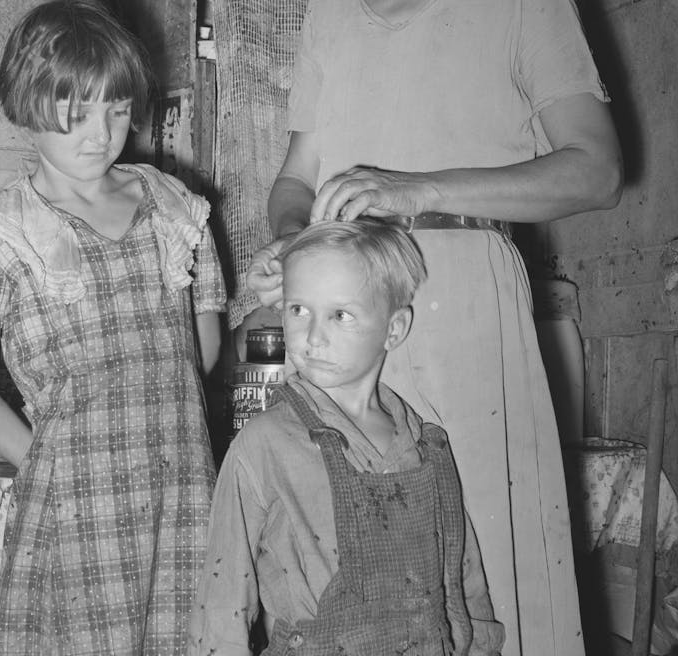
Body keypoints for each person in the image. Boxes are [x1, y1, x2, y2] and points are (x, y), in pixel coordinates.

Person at [245, 0, 624, 656]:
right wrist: (298, 240)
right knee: (354, 568)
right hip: (345, 318)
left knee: (486, 557)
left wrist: (414, 190)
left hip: (463, 310)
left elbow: (597, 170)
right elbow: (295, 180)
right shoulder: (332, 6)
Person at [0, 0, 226, 655]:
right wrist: (40, 460)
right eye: (77, 116)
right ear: (28, 109)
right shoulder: (3, 233)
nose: (100, 134)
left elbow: (202, 348)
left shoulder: (175, 207)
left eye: (116, 111)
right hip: (74, 509)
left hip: (182, 493)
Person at [190, 218, 505, 656]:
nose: (313, 336)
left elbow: (465, 584)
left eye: (340, 315)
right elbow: (222, 605)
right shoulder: (263, 446)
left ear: (393, 330)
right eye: (299, 310)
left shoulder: (426, 445)